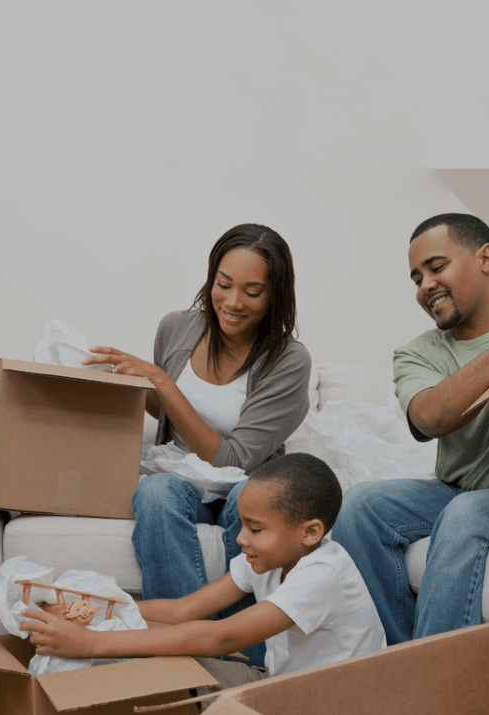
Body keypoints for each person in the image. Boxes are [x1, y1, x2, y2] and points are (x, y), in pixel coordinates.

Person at [331, 213, 489, 645]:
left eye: (436, 267)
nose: (424, 285)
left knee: (466, 515)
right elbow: (429, 418)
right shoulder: (417, 353)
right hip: (457, 487)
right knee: (359, 507)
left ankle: (430, 683)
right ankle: (406, 660)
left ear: (485, 258)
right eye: (415, 278)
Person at [83, 224, 311, 666]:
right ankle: (182, 659)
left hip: (247, 481)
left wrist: (160, 381)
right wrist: (120, 385)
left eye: (252, 291)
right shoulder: (177, 328)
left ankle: (246, 660)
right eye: (223, 285)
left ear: (275, 297)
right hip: (179, 475)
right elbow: (166, 413)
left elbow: (233, 459)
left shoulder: (289, 360)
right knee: (153, 492)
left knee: (253, 500)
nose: (232, 302)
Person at [21, 453, 386, 677]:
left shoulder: (323, 574)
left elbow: (220, 637)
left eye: (255, 529)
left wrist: (89, 644)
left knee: (153, 670)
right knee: (151, 664)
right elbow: (182, 610)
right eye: (241, 525)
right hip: (281, 688)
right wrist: (93, 610)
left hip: (329, 703)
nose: (241, 539)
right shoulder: (266, 559)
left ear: (310, 532)